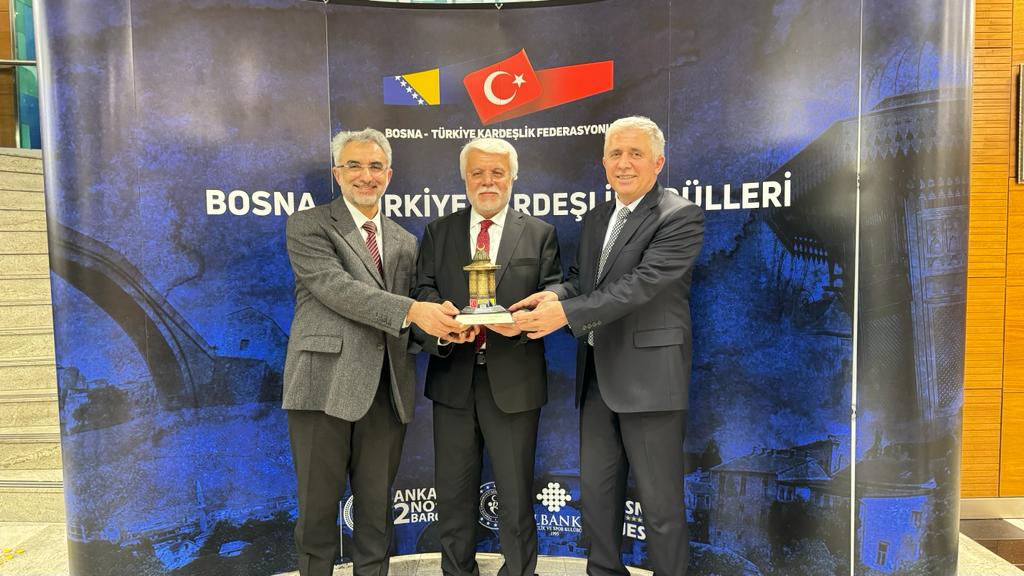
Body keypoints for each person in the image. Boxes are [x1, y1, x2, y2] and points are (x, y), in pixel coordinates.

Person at [512, 116, 704, 576]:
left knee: (661, 510)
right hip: (597, 379)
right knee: (598, 505)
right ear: (603, 162)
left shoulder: (680, 215)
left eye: (635, 153)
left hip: (651, 385)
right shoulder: (598, 217)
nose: (624, 163)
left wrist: (566, 314)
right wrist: (555, 297)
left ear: (658, 162)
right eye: (615, 153)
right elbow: (583, 281)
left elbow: (641, 286)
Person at [283, 127, 466, 576]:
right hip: (322, 387)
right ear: (337, 173)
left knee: (377, 513)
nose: (366, 176)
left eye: (375, 167)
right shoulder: (308, 225)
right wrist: (416, 311)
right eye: (354, 166)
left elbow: (409, 317)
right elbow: (337, 290)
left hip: (387, 390)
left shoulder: (404, 240)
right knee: (317, 511)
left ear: (389, 174)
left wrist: (445, 332)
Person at [412, 138, 562, 576]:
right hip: (452, 379)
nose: (487, 181)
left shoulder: (540, 233)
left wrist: (531, 318)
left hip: (516, 381)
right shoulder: (438, 232)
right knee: (453, 496)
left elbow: (556, 290)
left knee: (515, 497)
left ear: (512, 177)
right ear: (465, 179)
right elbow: (422, 290)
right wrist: (443, 322)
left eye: (497, 172)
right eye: (477, 173)